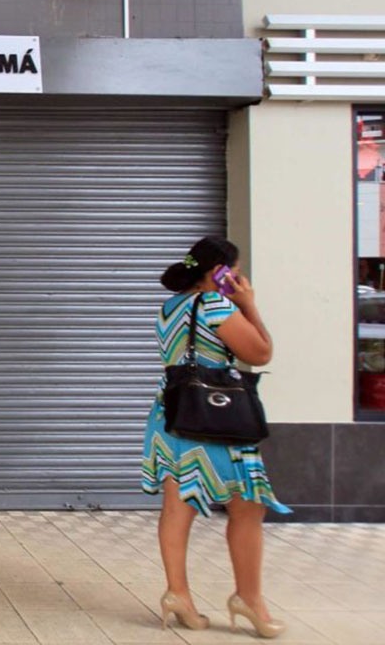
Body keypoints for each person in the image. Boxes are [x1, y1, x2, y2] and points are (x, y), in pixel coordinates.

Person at [145, 236, 287, 639]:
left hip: (174, 414)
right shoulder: (216, 306)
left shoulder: (170, 307)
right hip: (216, 416)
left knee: (177, 507)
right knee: (248, 507)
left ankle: (178, 595)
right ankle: (249, 599)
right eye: (235, 271)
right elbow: (260, 353)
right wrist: (249, 304)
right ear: (220, 272)